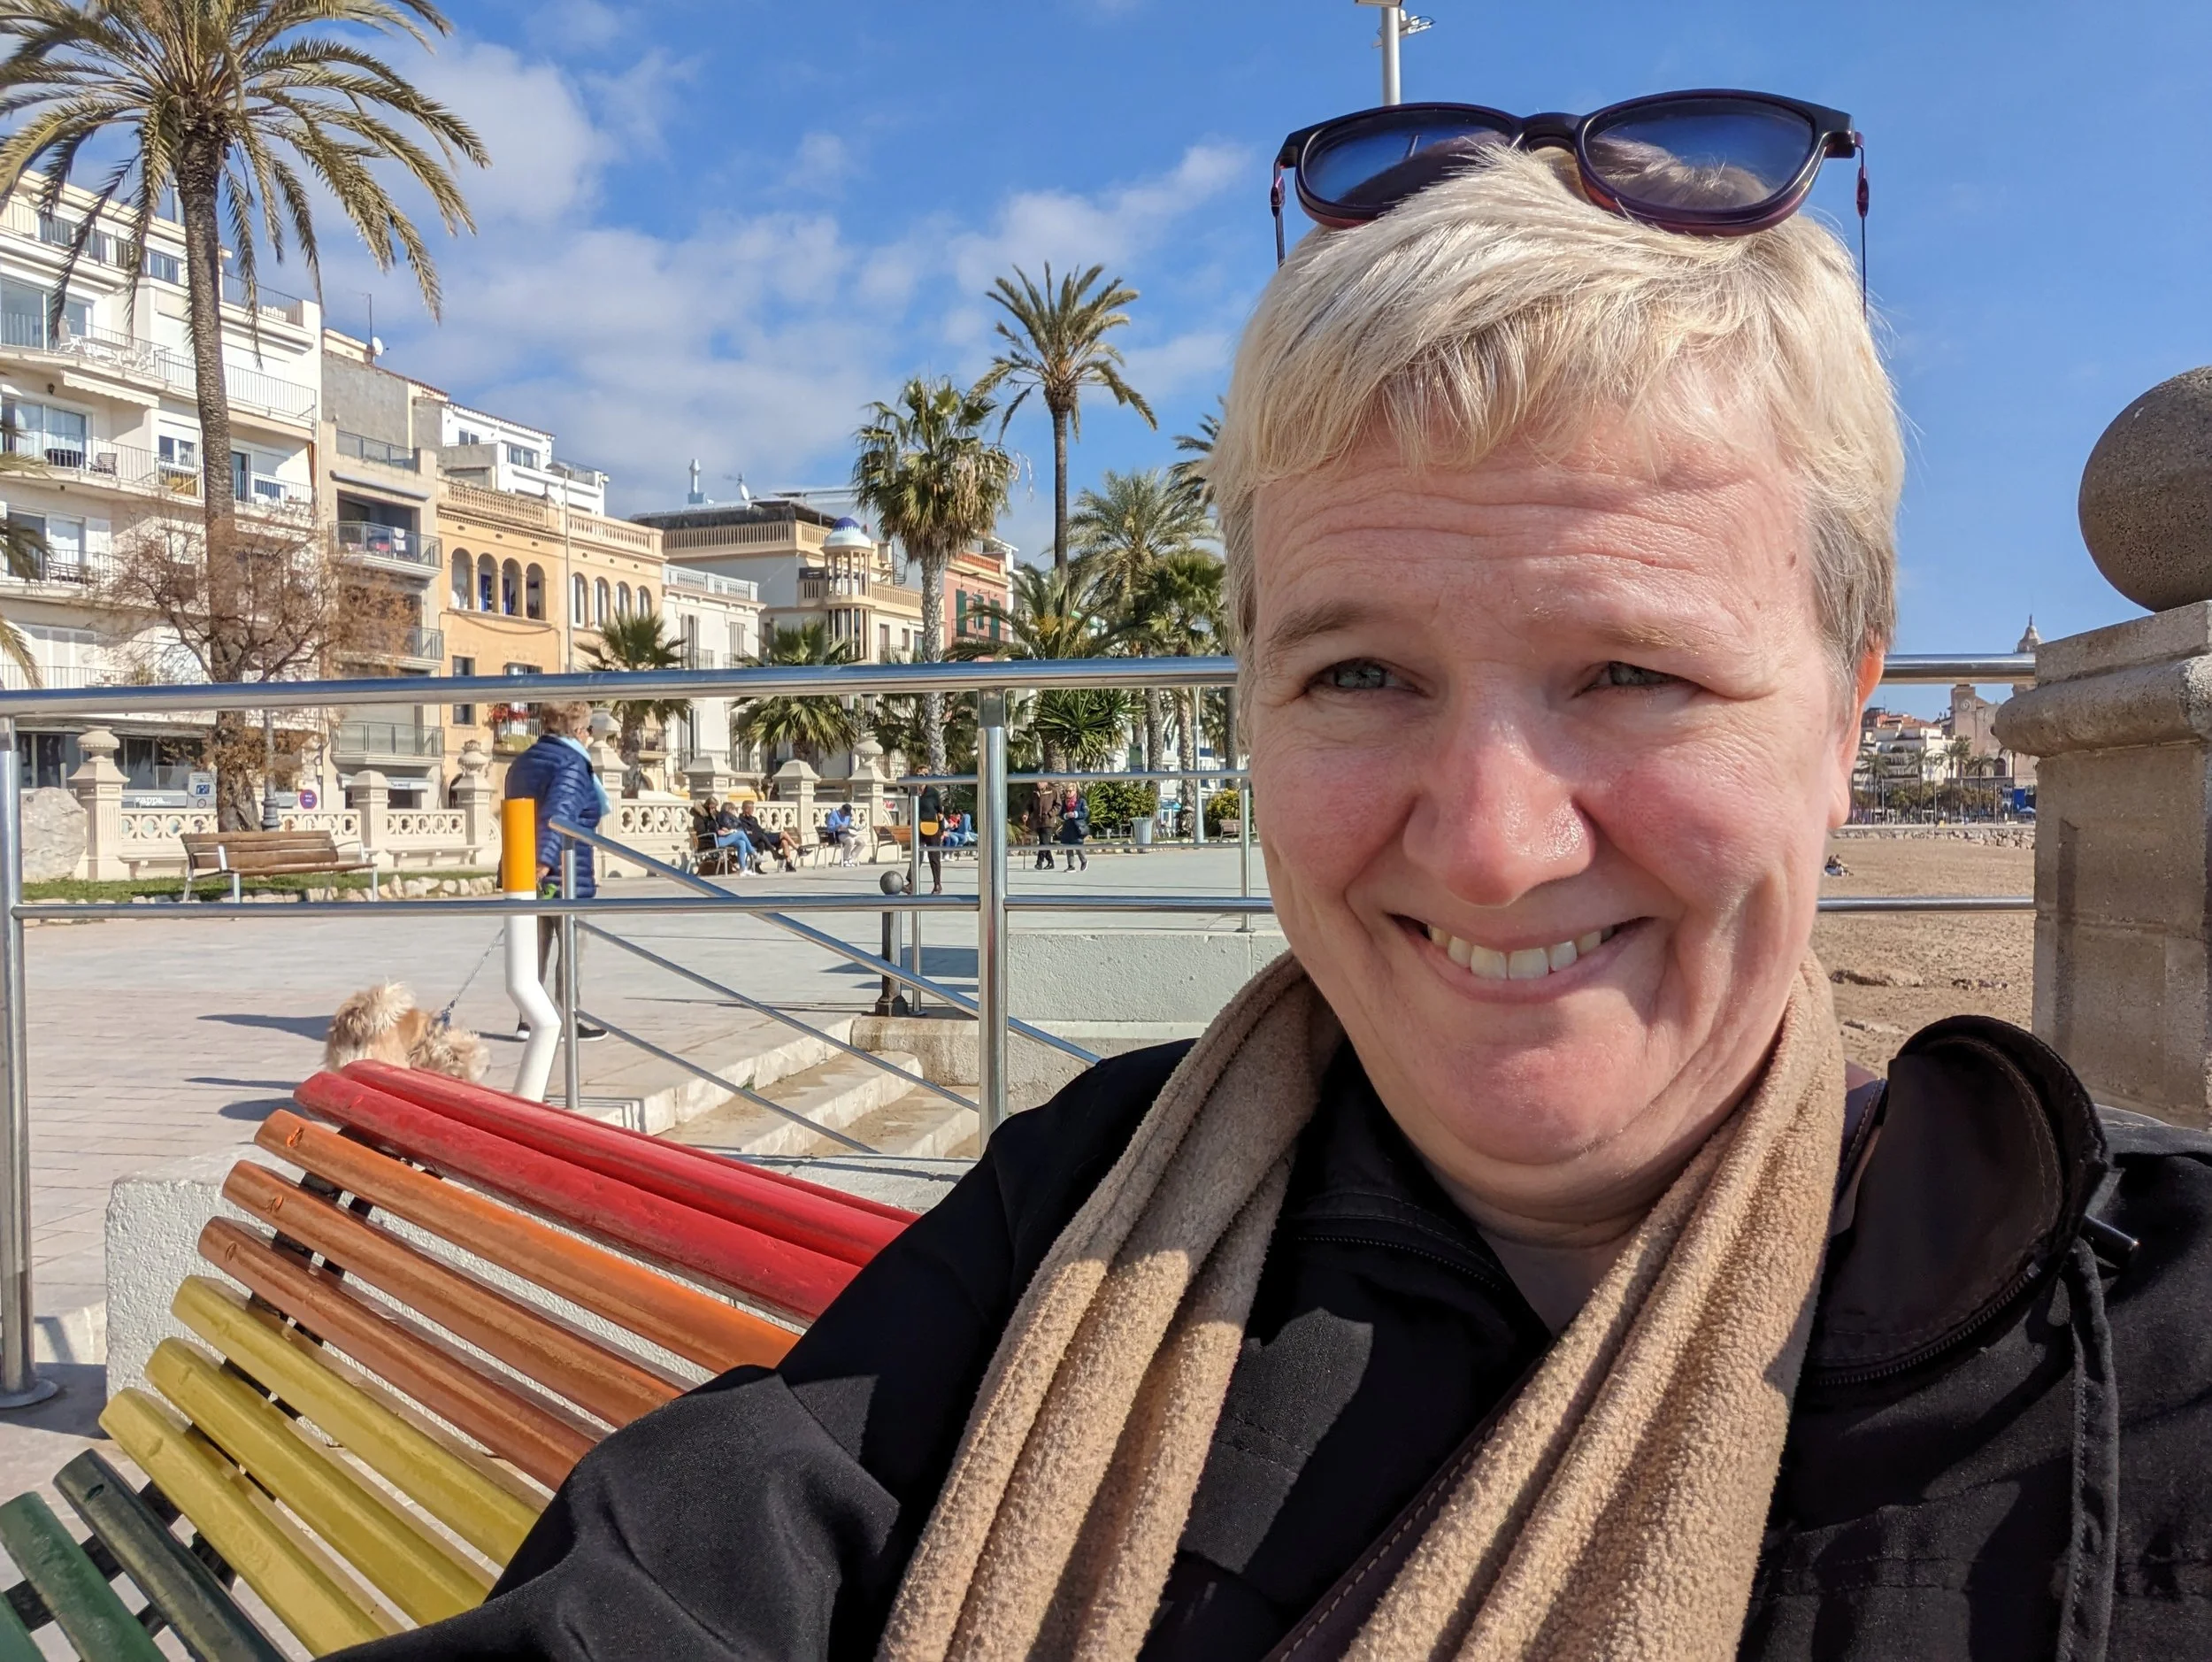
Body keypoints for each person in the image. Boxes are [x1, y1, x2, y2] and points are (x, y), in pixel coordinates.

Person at [342, 99, 2212, 1662]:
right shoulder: (1080, 1222)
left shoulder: (2139, 1342)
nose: (1488, 840)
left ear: (1841, 711)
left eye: (1629, 672)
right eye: (1357, 675)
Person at [501, 701, 605, 1043]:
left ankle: (527, 1020)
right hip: (565, 869)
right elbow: (559, 813)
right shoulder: (573, 763)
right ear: (577, 731)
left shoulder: (522, 761)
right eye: (588, 729)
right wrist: (544, 861)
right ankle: (567, 1018)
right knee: (572, 948)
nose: (590, 737)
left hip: (522, 868)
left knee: (532, 949)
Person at [737, 804, 796, 872]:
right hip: (755, 840)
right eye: (751, 808)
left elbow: (759, 829)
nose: (753, 810)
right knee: (782, 834)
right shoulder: (740, 820)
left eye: (753, 808)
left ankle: (788, 864)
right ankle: (796, 849)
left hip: (764, 837)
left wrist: (764, 830)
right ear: (746, 809)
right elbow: (747, 832)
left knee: (784, 841)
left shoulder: (754, 819)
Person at [917, 782, 946, 895]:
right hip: (918, 827)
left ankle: (937, 885)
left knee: (934, 857)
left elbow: (940, 812)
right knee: (916, 855)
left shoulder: (933, 792)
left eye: (923, 775)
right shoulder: (913, 793)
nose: (920, 779)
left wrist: (942, 829)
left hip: (932, 828)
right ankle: (911, 882)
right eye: (918, 775)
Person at [1056, 784, 1088, 872]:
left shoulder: (1081, 801)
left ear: (1075, 791)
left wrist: (1075, 814)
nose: (1068, 793)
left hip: (1078, 827)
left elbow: (1085, 813)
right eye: (1067, 791)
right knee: (1068, 846)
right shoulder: (1064, 803)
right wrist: (1066, 815)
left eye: (1070, 791)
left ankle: (1084, 861)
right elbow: (1061, 814)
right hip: (1068, 827)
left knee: (1078, 846)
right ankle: (1071, 866)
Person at [823, 801, 861, 866]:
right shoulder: (834, 815)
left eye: (847, 814)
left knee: (862, 841)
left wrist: (854, 828)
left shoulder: (848, 816)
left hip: (848, 833)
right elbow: (829, 828)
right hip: (839, 835)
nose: (846, 815)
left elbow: (849, 825)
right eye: (845, 813)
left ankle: (851, 858)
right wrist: (838, 826)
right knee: (851, 841)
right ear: (842, 809)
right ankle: (844, 859)